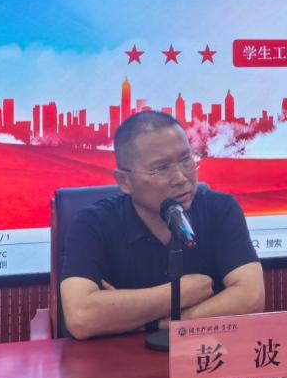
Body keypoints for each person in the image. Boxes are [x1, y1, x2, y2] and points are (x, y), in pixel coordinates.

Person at [60, 111, 264, 339]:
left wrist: (156, 323)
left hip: (206, 354)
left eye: (186, 160)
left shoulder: (220, 209)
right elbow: (80, 317)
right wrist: (181, 293)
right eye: (162, 168)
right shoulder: (92, 223)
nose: (181, 178)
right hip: (119, 359)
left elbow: (251, 297)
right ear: (124, 181)